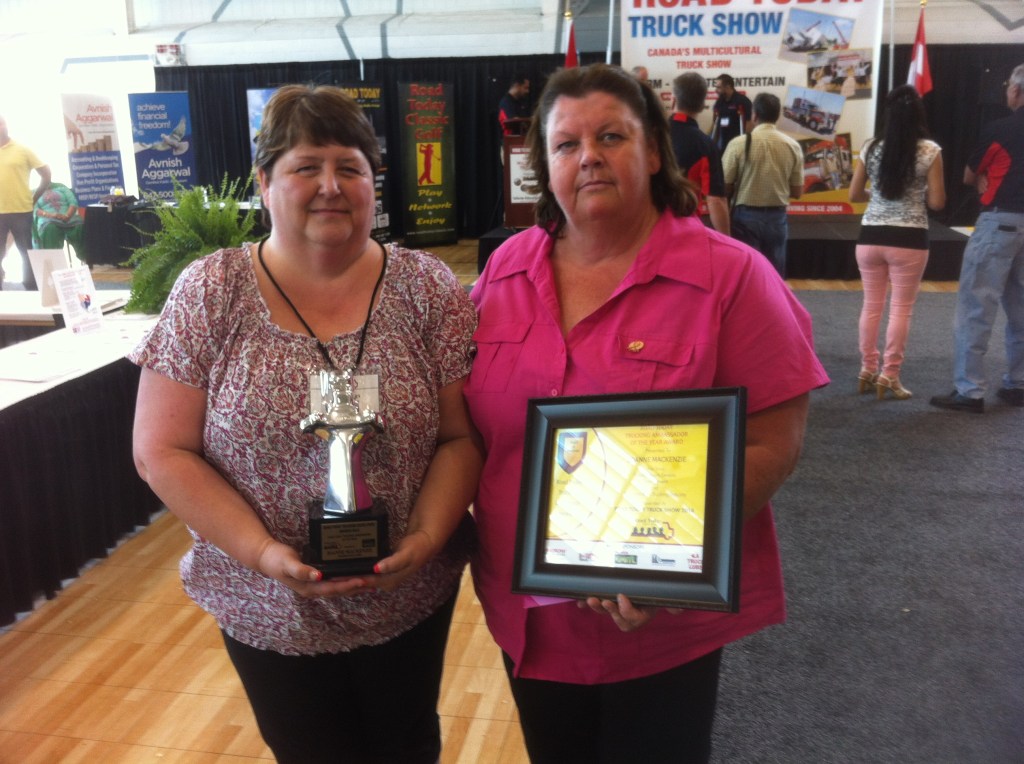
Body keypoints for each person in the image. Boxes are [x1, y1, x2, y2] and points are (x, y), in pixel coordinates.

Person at [464, 63, 829, 763]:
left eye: (611, 136)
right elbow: (471, 433)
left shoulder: (731, 276)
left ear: (654, 151)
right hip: (527, 618)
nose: (588, 156)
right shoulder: (502, 273)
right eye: (566, 144)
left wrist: (667, 563)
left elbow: (773, 441)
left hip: (660, 626)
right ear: (544, 162)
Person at [129, 84, 482, 763]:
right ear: (265, 183)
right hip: (265, 601)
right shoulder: (211, 291)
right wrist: (265, 555)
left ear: (374, 183)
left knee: (409, 744)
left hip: (407, 591)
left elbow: (460, 437)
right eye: (305, 166)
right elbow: (161, 450)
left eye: (350, 167)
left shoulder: (427, 288)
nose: (330, 186)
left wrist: (427, 538)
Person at [930, 64, 1024, 413]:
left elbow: (970, 176)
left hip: (999, 224)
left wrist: (986, 175)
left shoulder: (1000, 129)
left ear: (1015, 92)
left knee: (976, 309)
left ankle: (969, 391)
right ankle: (1018, 384)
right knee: (1022, 311)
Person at [848, 85, 945, 400]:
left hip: (870, 236)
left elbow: (853, 195)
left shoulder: (871, 147)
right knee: (901, 308)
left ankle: (867, 369)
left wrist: (876, 196)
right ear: (918, 114)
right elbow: (938, 202)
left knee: (871, 305)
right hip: (909, 238)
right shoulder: (929, 151)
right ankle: (889, 375)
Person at [722, 92, 804, 277]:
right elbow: (798, 191)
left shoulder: (737, 144)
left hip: (744, 219)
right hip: (777, 218)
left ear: (754, 115)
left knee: (748, 274)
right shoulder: (792, 145)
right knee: (774, 276)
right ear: (777, 116)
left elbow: (724, 187)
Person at [670, 72, 730, 235]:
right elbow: (716, 200)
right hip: (685, 230)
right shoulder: (705, 145)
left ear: (673, 99)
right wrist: (727, 243)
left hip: (647, 231)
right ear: (702, 105)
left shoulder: (648, 135)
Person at [0, 114, 51, 290]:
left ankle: (32, 290)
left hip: (21, 210)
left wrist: (34, 198)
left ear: (6, 125)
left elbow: (46, 174)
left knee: (26, 253)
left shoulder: (22, 149)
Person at [710, 73, 752, 152]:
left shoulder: (742, 101)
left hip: (738, 145)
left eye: (719, 87)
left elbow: (749, 124)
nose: (716, 90)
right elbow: (714, 123)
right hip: (722, 144)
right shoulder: (719, 102)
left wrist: (745, 146)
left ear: (728, 87)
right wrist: (710, 143)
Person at [498, 73, 531, 137]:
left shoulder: (520, 102)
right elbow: (514, 121)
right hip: (510, 143)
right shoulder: (506, 102)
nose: (527, 91)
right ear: (517, 85)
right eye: (525, 88)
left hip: (521, 141)